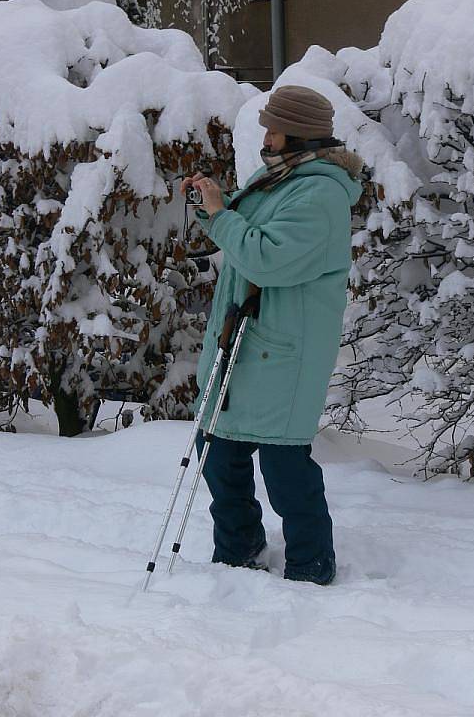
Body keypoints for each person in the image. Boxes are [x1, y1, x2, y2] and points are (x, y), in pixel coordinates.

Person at [180, 85, 363, 585]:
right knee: (218, 451)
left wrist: (220, 216)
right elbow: (244, 230)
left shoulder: (320, 193)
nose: (265, 136)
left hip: (285, 351)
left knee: (285, 470)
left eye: (273, 128)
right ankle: (238, 550)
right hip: (244, 340)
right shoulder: (278, 178)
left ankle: (310, 565)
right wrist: (209, 206)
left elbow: (267, 257)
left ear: (297, 134)